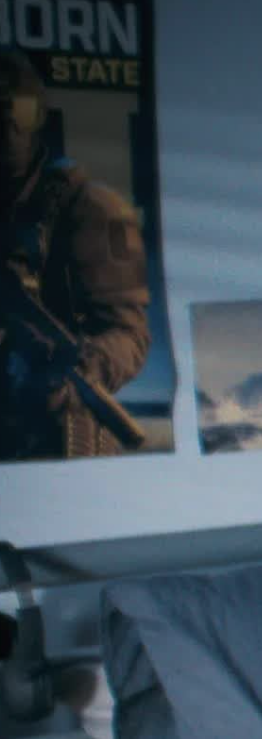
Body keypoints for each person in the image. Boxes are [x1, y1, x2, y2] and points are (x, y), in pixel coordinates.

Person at [0, 50, 151, 462]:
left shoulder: (91, 208)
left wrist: (84, 370)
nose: (9, 127)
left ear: (38, 118)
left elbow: (130, 336)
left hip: (59, 442)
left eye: (19, 112)